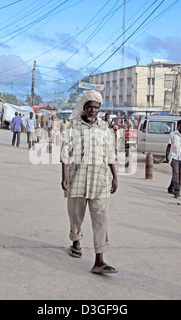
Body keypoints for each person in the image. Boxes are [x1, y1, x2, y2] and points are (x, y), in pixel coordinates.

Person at [60, 90, 118, 274]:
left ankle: (99, 260)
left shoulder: (104, 128)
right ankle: (76, 241)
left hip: (99, 178)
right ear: (84, 108)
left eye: (96, 107)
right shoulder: (73, 126)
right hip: (77, 176)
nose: (93, 110)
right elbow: (64, 152)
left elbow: (110, 153)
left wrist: (115, 176)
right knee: (76, 214)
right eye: (90, 106)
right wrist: (64, 176)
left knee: (101, 218)